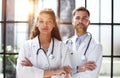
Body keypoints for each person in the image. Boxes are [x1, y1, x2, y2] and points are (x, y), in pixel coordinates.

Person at [16, 8, 72, 78]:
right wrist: (55, 72)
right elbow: (22, 73)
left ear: (54, 24)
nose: (45, 24)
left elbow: (67, 74)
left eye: (49, 21)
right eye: (41, 21)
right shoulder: (26, 46)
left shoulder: (62, 47)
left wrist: (33, 69)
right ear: (37, 24)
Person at [65, 7, 102, 78]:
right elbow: (58, 72)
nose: (80, 21)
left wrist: (69, 72)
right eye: (77, 18)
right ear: (73, 22)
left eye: (84, 18)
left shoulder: (96, 46)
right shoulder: (64, 44)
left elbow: (91, 74)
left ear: (89, 22)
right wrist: (78, 69)